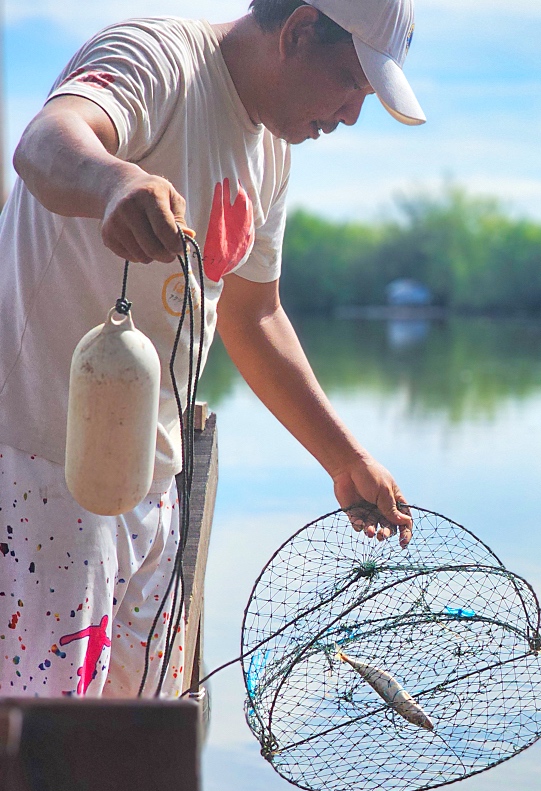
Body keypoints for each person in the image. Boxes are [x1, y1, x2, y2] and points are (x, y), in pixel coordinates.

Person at [0, 0, 421, 705]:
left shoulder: (272, 150)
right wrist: (115, 181)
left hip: (151, 487)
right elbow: (44, 143)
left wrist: (344, 457)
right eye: (350, 83)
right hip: (43, 477)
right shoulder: (158, 59)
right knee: (39, 754)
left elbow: (255, 317)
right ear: (296, 31)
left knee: (141, 748)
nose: (352, 114)